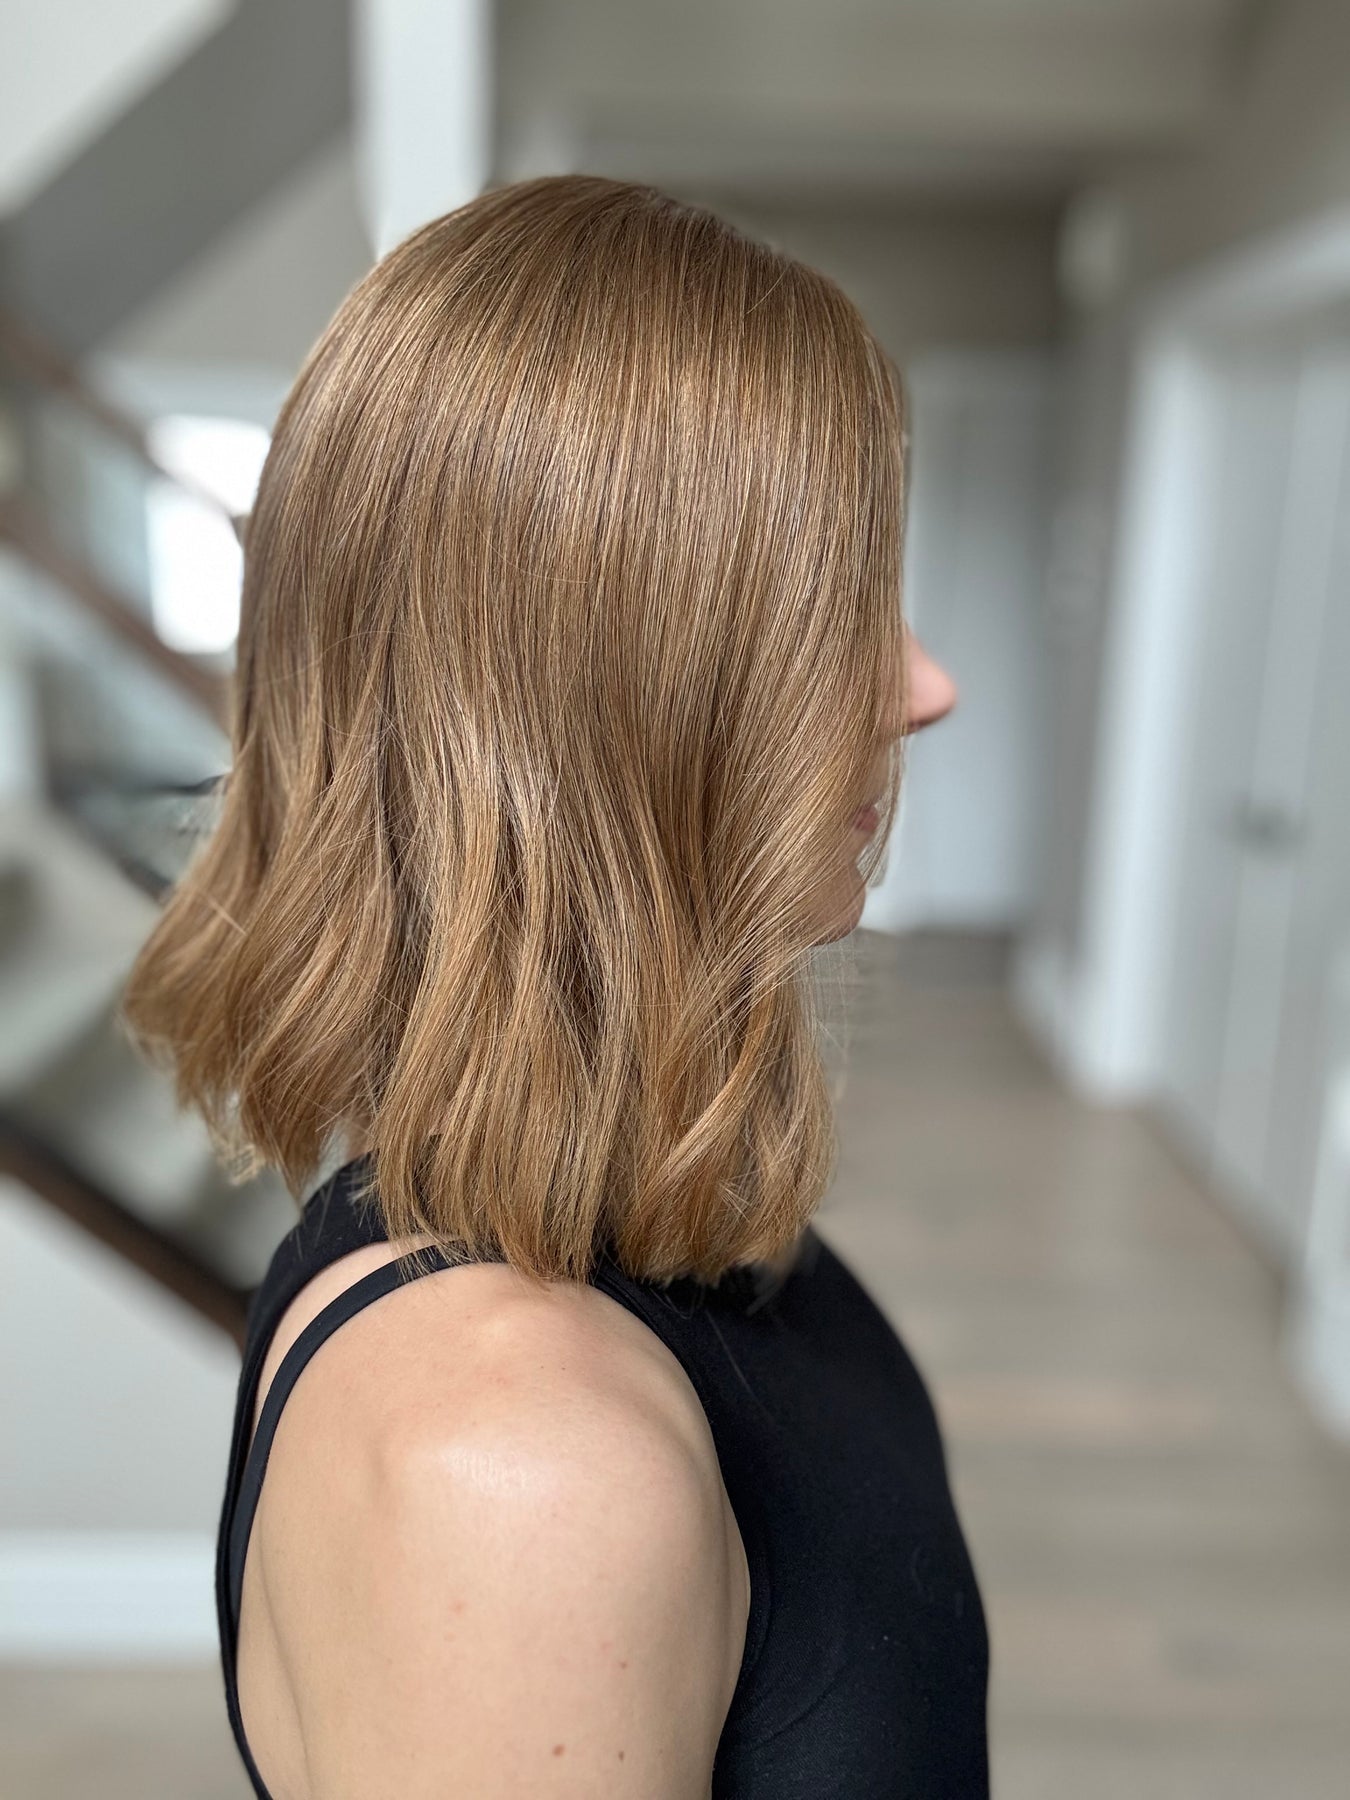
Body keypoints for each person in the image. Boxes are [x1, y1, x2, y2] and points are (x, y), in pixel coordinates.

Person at [123, 173, 982, 1799]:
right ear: (613, 705)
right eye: (833, 617)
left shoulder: (653, 1240)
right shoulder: (518, 1470)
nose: (922, 688)